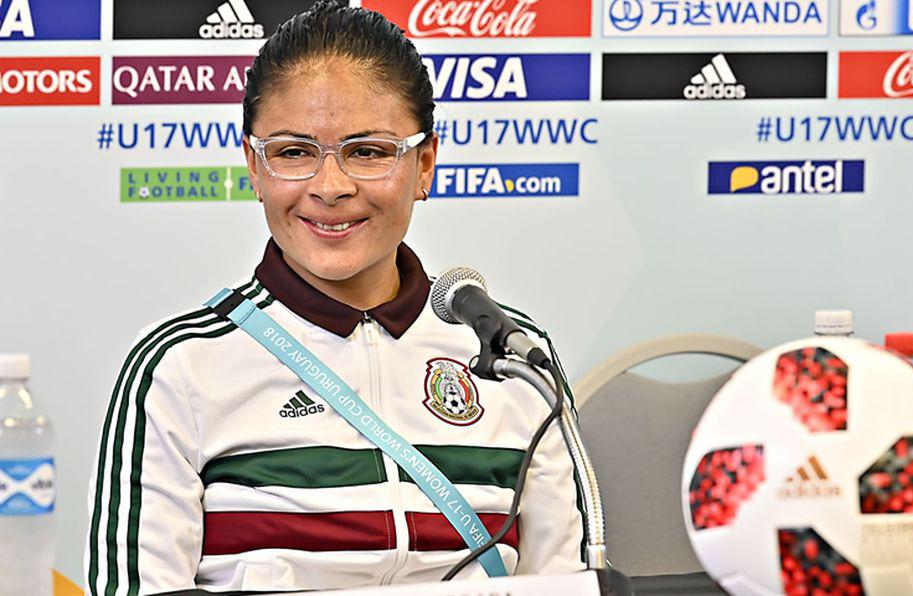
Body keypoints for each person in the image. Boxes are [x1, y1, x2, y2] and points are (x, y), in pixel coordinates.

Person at [85, 2, 585, 593]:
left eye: (368, 152)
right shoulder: (179, 370)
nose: (330, 187)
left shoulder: (512, 355)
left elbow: (571, 583)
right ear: (255, 167)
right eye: (293, 152)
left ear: (424, 164)